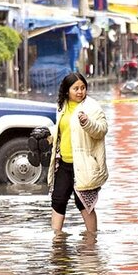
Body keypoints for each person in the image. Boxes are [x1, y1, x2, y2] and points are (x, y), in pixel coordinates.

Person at [47, 72, 109, 235]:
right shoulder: (62, 106)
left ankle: (92, 239)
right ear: (67, 90)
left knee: (83, 203)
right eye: (76, 88)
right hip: (64, 163)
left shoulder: (92, 106)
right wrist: (48, 136)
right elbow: (63, 130)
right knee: (58, 200)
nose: (80, 92)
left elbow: (101, 130)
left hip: (85, 164)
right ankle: (57, 240)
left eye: (83, 88)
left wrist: (87, 123)